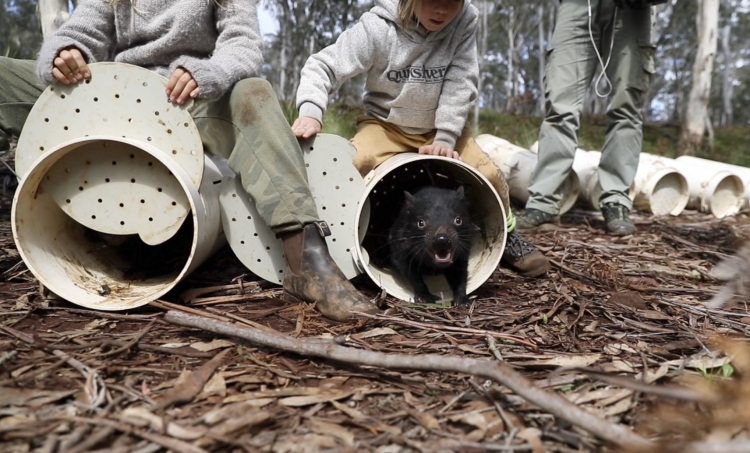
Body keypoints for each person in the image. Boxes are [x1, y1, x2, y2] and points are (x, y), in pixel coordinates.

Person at [0, 0, 378, 322]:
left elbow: (243, 47)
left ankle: (306, 262)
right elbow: (85, 31)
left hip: (187, 100)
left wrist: (207, 73)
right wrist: (67, 53)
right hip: (111, 94)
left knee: (253, 92)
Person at [292, 0, 551, 278]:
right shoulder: (378, 27)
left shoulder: (463, 22)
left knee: (489, 173)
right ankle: (331, 244)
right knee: (353, 165)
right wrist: (311, 111)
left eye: (452, 4)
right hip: (385, 125)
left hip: (441, 128)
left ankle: (509, 236)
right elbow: (323, 65)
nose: (442, 11)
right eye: (432, 2)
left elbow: (460, 82)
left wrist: (446, 137)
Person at [517, 0, 655, 236]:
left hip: (632, 10)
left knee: (626, 109)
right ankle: (543, 203)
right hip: (577, 6)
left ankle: (616, 202)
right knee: (560, 108)